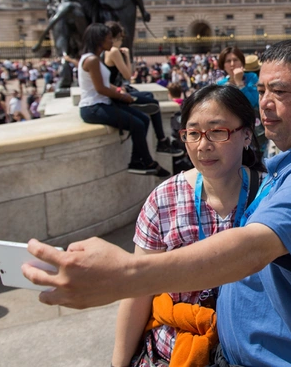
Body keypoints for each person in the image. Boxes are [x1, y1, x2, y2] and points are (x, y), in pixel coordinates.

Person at [24, 38, 291, 367]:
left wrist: (122, 275)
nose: (265, 102)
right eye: (262, 88)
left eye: (280, 91)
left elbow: (250, 250)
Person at [112, 84, 265, 367]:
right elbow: (139, 289)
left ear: (246, 135)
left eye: (217, 132)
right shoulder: (164, 198)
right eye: (193, 133)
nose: (203, 145)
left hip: (250, 351)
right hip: (172, 351)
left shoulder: (270, 196)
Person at [77, 23, 169, 177]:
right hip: (92, 107)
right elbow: (100, 89)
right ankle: (147, 162)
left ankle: (136, 161)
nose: (111, 42)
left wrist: (119, 90)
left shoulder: (94, 58)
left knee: (143, 120)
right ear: (99, 40)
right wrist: (122, 96)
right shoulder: (92, 60)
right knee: (138, 124)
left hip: (101, 103)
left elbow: (105, 84)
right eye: (108, 39)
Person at [103, 21, 183, 157]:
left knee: (148, 96)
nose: (122, 41)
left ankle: (162, 140)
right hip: (118, 94)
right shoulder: (114, 51)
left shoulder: (105, 51)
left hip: (117, 90)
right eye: (121, 38)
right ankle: (162, 141)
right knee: (154, 104)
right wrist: (127, 56)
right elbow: (128, 74)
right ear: (116, 37)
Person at [216, 46, 266, 156]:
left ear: (242, 62)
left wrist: (240, 84)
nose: (232, 64)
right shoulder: (220, 85)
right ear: (223, 65)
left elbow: (253, 102)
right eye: (228, 61)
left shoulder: (252, 77)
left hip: (254, 131)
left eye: (235, 60)